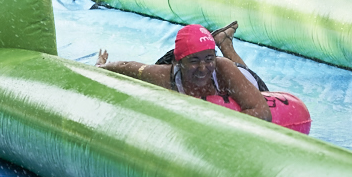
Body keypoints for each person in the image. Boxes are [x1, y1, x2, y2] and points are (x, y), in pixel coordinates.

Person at [95, 23, 272, 121]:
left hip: (246, 79)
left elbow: (262, 111)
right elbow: (128, 66)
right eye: (194, 61)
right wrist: (101, 68)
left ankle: (225, 44)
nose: (203, 68)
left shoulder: (222, 67)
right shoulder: (164, 76)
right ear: (179, 62)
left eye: (209, 59)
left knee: (234, 67)